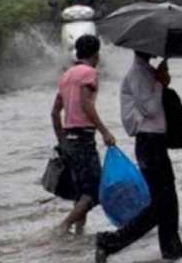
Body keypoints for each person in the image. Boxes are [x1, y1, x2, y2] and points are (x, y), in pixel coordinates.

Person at [95, 51, 182, 263]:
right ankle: (110, 241)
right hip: (149, 144)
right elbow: (151, 108)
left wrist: (160, 78)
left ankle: (173, 254)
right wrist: (160, 83)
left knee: (169, 204)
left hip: (155, 144)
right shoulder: (138, 74)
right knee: (161, 205)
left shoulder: (147, 72)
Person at [50, 34, 117, 235]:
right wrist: (104, 131)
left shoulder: (66, 75)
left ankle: (79, 235)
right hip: (84, 138)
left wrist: (61, 140)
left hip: (69, 139)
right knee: (95, 191)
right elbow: (86, 104)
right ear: (96, 54)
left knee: (82, 193)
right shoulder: (90, 73)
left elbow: (54, 112)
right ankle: (64, 226)